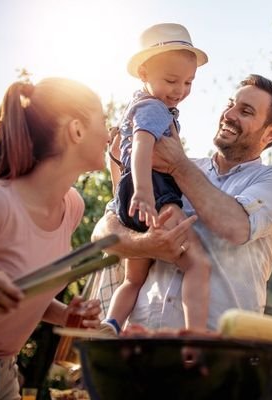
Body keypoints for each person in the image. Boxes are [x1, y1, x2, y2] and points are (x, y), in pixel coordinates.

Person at [92, 73, 272, 331]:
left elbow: (235, 226)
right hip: (140, 343)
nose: (229, 114)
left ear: (270, 133)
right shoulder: (178, 165)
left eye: (245, 111)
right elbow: (103, 232)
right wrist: (147, 245)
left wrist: (179, 165)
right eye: (230, 104)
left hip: (215, 354)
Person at [0, 78, 107, 399]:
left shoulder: (70, 206)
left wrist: (63, 314)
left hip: (3, 375)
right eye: (103, 120)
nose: (109, 132)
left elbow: (18, 288)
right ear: (76, 130)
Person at [105, 22, 211, 334]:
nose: (180, 91)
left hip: (131, 195)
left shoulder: (139, 105)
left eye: (189, 82)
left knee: (132, 279)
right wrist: (144, 192)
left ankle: (110, 323)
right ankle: (196, 334)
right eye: (171, 80)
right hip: (154, 190)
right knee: (197, 264)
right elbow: (141, 148)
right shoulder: (153, 109)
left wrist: (133, 194)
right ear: (144, 75)